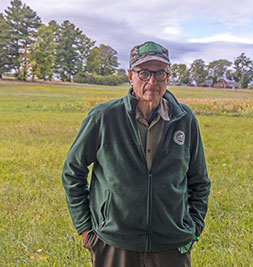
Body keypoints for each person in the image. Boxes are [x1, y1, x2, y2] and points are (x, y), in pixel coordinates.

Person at [62, 41, 211, 267]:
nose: (152, 81)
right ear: (130, 76)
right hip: (114, 242)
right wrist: (85, 227)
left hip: (171, 244)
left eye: (159, 73)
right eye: (144, 73)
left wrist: (193, 228)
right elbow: (73, 172)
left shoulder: (185, 119)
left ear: (168, 77)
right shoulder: (104, 117)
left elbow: (199, 180)